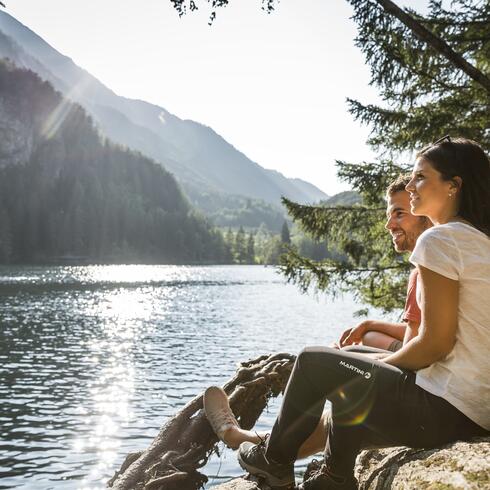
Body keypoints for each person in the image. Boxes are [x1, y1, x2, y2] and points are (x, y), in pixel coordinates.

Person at [235, 136, 490, 490]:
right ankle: (335, 475)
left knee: (314, 361)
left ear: (453, 185)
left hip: (449, 410)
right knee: (352, 356)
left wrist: (372, 371)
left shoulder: (441, 241)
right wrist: (362, 368)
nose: (411, 186)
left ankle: (275, 459)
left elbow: (436, 344)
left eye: (420, 177)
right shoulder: (477, 239)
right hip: (475, 410)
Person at [204, 175, 430, 455]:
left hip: (429, 399)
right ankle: (252, 442)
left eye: (399, 213)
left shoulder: (429, 266)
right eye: (388, 215)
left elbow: (419, 350)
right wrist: (366, 329)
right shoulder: (432, 263)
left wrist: (347, 363)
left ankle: (250, 444)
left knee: (320, 366)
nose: (389, 224)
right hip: (431, 388)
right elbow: (422, 332)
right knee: (363, 342)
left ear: (425, 213)